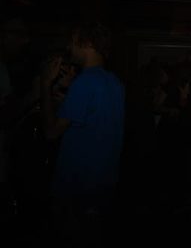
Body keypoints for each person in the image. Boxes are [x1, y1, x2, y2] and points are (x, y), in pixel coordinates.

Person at [40, 21, 125, 247]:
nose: (69, 48)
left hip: (78, 186)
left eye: (72, 42)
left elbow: (51, 132)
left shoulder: (85, 82)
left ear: (86, 43)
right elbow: (93, 122)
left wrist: (45, 84)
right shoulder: (114, 82)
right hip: (103, 182)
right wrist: (69, 94)